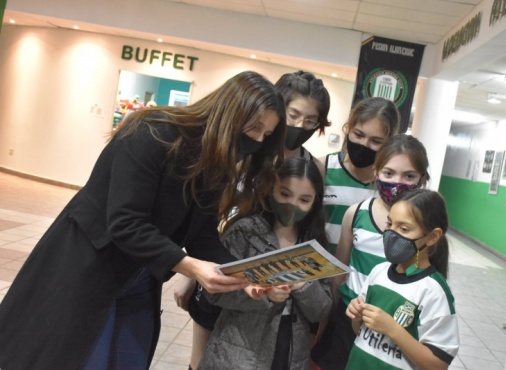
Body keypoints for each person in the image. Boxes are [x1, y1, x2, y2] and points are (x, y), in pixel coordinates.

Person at [0, 70, 286, 370]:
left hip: (139, 274)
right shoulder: (152, 132)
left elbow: (202, 235)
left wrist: (248, 277)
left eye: (266, 135)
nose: (256, 139)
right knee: (69, 355)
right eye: (253, 127)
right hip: (87, 265)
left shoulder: (217, 161)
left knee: (128, 357)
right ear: (228, 113)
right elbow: (125, 222)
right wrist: (190, 267)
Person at [175, 70, 332, 369]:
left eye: (311, 121)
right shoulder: (248, 149)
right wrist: (190, 273)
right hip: (225, 260)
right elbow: (211, 211)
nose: (300, 125)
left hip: (273, 303)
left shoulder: (313, 167)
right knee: (206, 355)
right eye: (293, 114)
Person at [198, 157, 332, 370]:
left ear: (315, 202)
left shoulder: (314, 242)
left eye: (304, 200)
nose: (292, 205)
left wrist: (303, 285)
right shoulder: (245, 231)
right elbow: (213, 291)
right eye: (285, 194)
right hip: (238, 351)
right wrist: (263, 295)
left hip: (291, 351)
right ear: (270, 190)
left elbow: (321, 311)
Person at [312, 134, 429, 370]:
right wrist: (323, 326)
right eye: (389, 173)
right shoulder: (355, 214)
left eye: (409, 176)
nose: (398, 183)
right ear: (376, 173)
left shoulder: (427, 227)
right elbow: (339, 276)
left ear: (422, 179)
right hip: (347, 319)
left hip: (394, 329)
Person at [345, 189, 459, 369]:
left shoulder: (433, 291)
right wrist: (357, 316)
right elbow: (360, 331)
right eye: (390, 224)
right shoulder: (378, 272)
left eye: (404, 229)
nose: (391, 234)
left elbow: (438, 364)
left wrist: (392, 329)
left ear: (432, 237)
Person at [316, 97, 400, 255]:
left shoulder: (390, 182)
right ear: (348, 128)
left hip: (363, 273)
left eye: (376, 141)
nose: (364, 144)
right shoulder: (324, 166)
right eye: (358, 134)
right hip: (321, 270)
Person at [275, 70, 331, 160]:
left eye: (310, 121)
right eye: (293, 116)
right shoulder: (251, 151)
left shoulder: (315, 167)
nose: (300, 126)